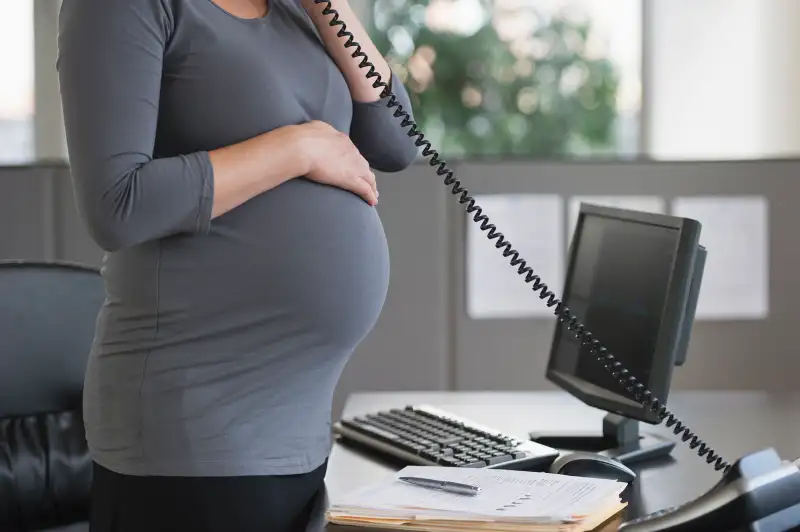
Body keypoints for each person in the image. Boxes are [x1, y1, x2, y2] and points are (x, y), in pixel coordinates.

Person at [56, 0, 418, 530]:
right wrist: (295, 147)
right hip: (191, 428)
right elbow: (117, 204)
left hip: (297, 431)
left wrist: (330, 10)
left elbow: (397, 141)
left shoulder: (300, 11)